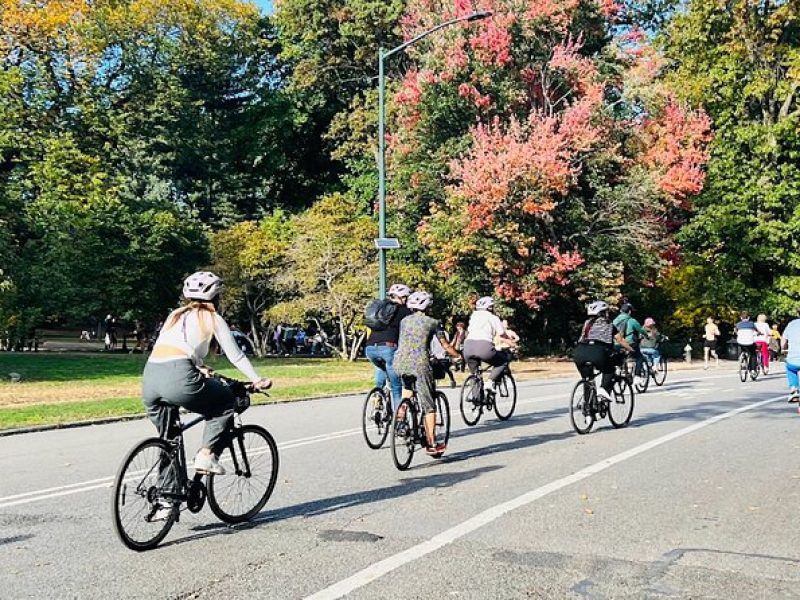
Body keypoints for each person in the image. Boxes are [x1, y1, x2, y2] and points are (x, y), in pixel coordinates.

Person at [142, 271, 272, 483]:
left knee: (169, 439)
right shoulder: (212, 318)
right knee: (226, 402)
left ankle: (167, 498)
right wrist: (257, 379)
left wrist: (199, 367)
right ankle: (206, 455)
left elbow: (174, 348)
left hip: (151, 376)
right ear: (216, 297)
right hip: (180, 376)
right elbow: (236, 356)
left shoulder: (174, 315)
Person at [393, 291, 461, 455]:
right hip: (420, 364)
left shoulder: (404, 321)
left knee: (407, 390)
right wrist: (457, 356)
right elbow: (444, 344)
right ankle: (431, 444)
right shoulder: (433, 322)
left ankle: (400, 420)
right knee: (429, 407)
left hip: (400, 362)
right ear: (428, 306)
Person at [574, 301, 634, 413]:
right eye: (606, 312)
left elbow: (581, 338)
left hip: (580, 353)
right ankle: (603, 389)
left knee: (588, 380)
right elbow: (620, 340)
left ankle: (588, 409)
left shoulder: (587, 323)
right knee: (609, 370)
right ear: (603, 313)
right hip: (598, 352)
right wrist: (631, 349)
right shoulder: (609, 324)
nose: (608, 314)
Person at [364, 283, 412, 410]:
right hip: (389, 347)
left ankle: (377, 393)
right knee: (396, 388)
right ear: (402, 297)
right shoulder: (404, 311)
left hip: (369, 348)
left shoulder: (380, 308)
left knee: (382, 367)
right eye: (406, 297)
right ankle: (399, 422)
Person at [462, 296, 515, 384]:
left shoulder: (473, 316)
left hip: (468, 346)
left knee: (475, 375)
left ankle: (476, 396)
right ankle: (490, 382)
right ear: (489, 308)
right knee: (502, 362)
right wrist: (510, 341)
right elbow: (502, 333)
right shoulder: (493, 318)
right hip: (484, 346)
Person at [613, 302, 646, 386]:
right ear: (630, 312)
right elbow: (641, 330)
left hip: (616, 344)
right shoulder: (631, 320)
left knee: (621, 356)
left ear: (620, 311)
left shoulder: (614, 320)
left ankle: (622, 370)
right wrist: (647, 335)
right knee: (639, 357)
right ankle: (637, 376)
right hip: (629, 343)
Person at [781, 312, 800, 405]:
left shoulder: (791, 324)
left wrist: (783, 349)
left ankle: (794, 389)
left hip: (793, 359)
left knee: (790, 368)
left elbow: (783, 340)